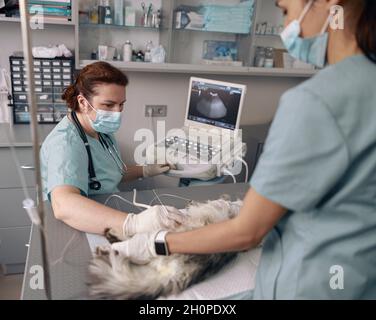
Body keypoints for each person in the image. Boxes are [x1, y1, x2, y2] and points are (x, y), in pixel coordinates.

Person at [112, 0, 376, 299]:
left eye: (285, 12)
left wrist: (156, 242)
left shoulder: (316, 101)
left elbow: (246, 232)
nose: (285, 27)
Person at [40, 61, 182, 237]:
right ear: (83, 102)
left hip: (107, 209)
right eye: (108, 105)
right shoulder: (65, 143)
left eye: (121, 104)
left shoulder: (101, 130)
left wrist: (145, 170)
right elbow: (63, 205)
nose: (117, 112)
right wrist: (133, 224)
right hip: (81, 224)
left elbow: (108, 172)